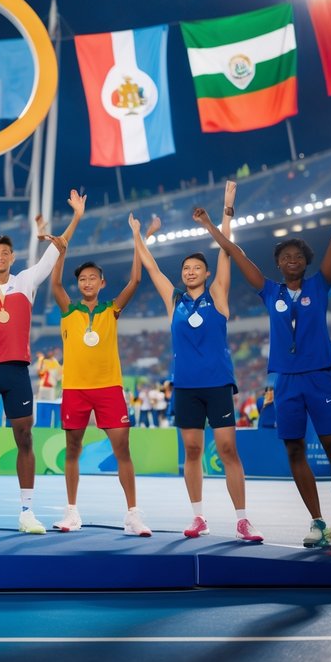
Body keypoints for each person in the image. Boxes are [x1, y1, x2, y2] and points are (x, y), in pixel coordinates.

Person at [200, 172, 331, 551]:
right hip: (286, 382)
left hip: (320, 378)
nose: (291, 261)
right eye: (285, 257)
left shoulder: (320, 284)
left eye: (297, 257)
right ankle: (317, 522)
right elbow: (237, 253)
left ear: (305, 263)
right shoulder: (269, 291)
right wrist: (212, 225)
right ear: (278, 265)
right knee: (294, 449)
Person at [132, 180, 262, 542]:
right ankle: (198, 517)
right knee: (191, 450)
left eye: (195, 268)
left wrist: (226, 207)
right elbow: (152, 267)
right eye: (186, 268)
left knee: (227, 449)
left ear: (205, 274)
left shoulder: (218, 295)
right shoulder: (173, 300)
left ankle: (242, 520)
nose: (189, 271)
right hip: (185, 387)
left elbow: (225, 250)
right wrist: (140, 234)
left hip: (218, 384)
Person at [0, 180, 83, 534]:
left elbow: (55, 251)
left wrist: (75, 218)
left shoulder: (27, 281)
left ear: (12, 258)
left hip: (16, 372)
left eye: (5, 253)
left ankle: (27, 511)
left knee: (24, 440)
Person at [49, 213, 157, 537]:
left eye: (93, 278)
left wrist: (140, 237)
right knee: (72, 449)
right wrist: (62, 250)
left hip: (109, 387)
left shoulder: (112, 309)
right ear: (78, 284)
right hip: (75, 389)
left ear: (102, 282)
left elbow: (136, 281)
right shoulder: (69, 309)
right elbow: (54, 283)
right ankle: (71, 512)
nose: (87, 282)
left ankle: (133, 515)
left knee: (122, 449)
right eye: (82, 279)